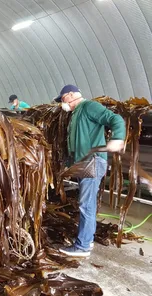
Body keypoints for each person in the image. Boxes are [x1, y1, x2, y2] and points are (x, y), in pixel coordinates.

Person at [54, 85, 126, 257]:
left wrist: (117, 139)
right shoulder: (77, 112)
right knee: (88, 204)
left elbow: (116, 119)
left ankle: (83, 246)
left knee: (86, 205)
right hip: (83, 164)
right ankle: (87, 241)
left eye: (63, 99)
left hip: (92, 163)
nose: (62, 103)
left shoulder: (89, 107)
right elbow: (77, 142)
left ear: (70, 95)